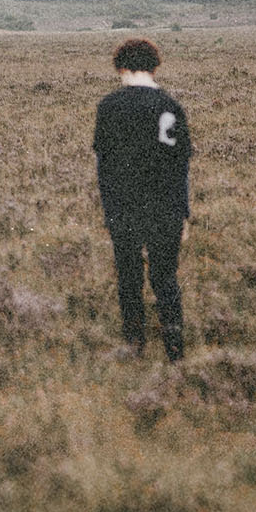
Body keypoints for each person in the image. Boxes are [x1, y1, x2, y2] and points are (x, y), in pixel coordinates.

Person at [93, 38, 192, 361]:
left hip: (124, 208)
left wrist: (109, 213)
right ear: (155, 66)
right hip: (166, 209)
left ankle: (134, 345)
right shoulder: (172, 107)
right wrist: (183, 213)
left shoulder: (108, 107)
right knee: (166, 278)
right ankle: (175, 350)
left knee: (129, 277)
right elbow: (180, 165)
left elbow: (104, 167)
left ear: (120, 67)